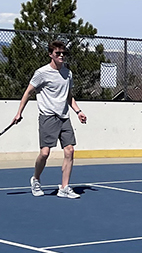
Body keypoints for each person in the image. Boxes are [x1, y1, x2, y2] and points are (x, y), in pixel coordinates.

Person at [13, 41, 88, 199]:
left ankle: (64, 187)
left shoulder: (68, 73)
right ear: (50, 54)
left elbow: (68, 96)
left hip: (64, 117)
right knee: (45, 153)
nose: (61, 56)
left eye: (64, 53)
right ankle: (36, 179)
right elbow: (28, 92)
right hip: (47, 117)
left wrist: (78, 111)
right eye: (58, 53)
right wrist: (19, 112)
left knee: (70, 150)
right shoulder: (41, 73)